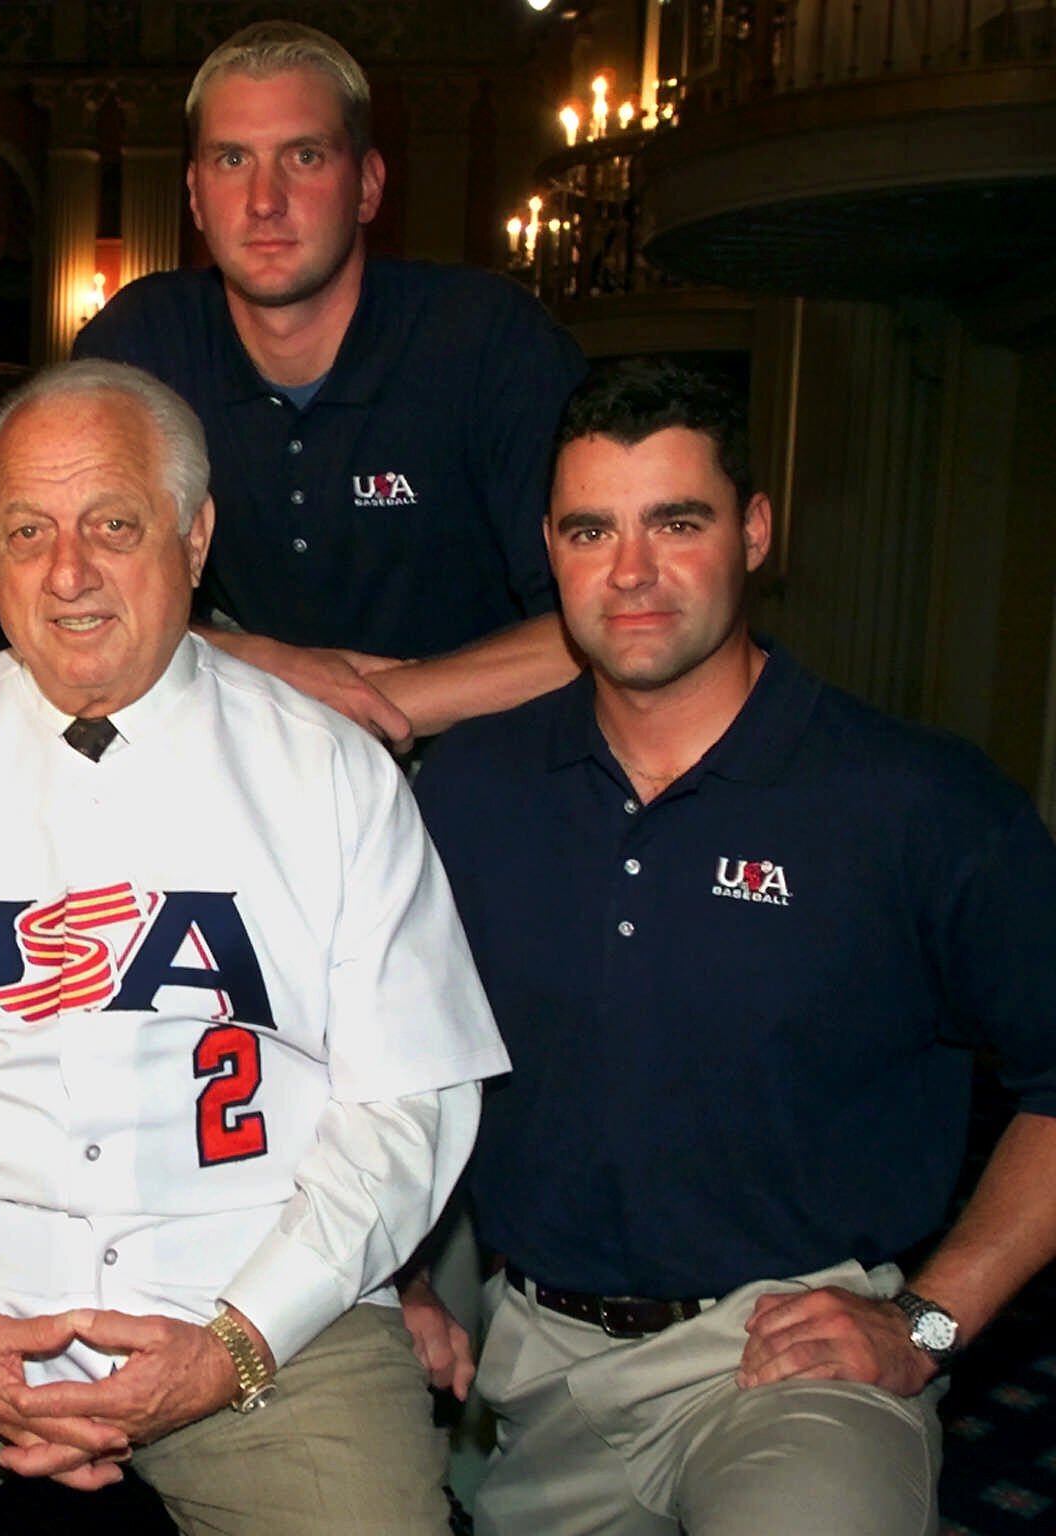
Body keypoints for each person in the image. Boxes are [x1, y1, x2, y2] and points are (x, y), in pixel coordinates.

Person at [0, 360, 509, 1536]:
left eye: (112, 524)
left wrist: (233, 1344)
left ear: (194, 534)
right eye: (26, 532)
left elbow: (407, 1106)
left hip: (257, 1308)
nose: (68, 574)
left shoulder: (330, 775)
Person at [412, 360, 1056, 1535]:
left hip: (785, 1358)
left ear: (753, 531)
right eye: (588, 529)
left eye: (676, 522)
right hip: (531, 1358)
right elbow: (380, 1050)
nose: (631, 572)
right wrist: (396, 1279)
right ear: (547, 551)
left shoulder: (911, 801)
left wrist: (927, 1319)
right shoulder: (468, 789)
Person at [75, 21, 586, 751]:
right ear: (193, 193)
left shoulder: (488, 340)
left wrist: (369, 702)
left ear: (368, 186)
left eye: (305, 156)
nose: (264, 199)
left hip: (475, 766)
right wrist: (268, 667)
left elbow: (607, 622)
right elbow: (69, 600)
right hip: (236, 759)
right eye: (231, 159)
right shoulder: (138, 348)